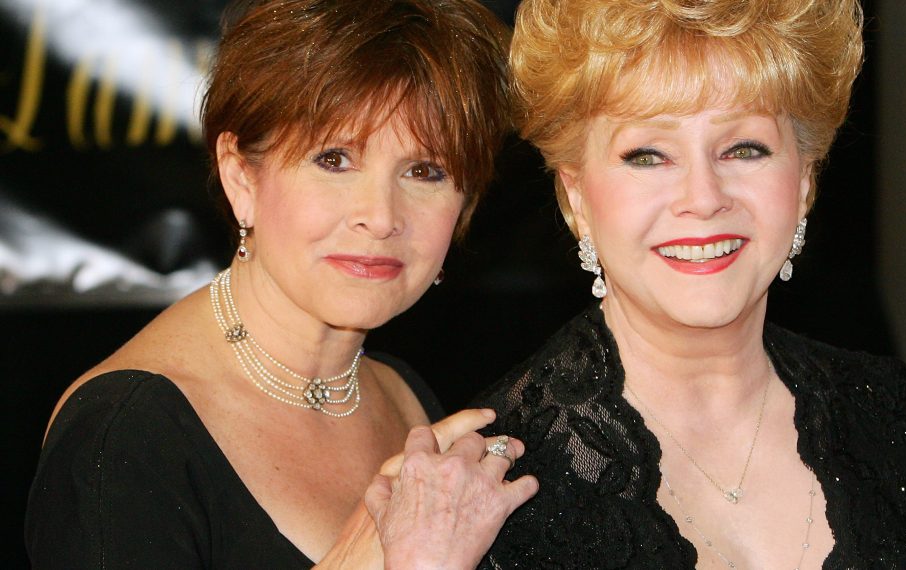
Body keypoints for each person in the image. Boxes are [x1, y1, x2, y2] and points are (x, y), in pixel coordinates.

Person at [475, 0, 906, 567]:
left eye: (744, 148)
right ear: (577, 196)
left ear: (805, 180)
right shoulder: (495, 477)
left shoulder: (897, 419)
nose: (704, 199)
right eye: (648, 156)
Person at [24, 0, 537, 568]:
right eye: (335, 159)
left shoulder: (404, 396)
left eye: (425, 171)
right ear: (240, 176)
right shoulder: (124, 433)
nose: (382, 215)